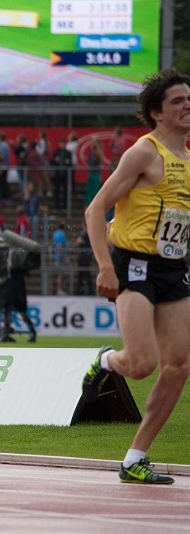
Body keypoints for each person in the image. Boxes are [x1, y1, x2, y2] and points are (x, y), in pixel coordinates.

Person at [81, 69, 190, 485]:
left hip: (173, 269)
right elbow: (95, 210)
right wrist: (105, 267)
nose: (187, 105)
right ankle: (105, 360)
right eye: (177, 100)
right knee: (142, 364)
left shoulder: (187, 160)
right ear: (156, 113)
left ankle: (134, 458)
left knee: (178, 367)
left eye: (189, 98)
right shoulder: (143, 153)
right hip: (134, 264)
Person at [52, 219, 70, 295]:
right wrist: (63, 257)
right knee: (62, 274)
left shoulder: (55, 233)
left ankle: (60, 289)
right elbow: (60, 246)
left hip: (57, 256)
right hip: (61, 256)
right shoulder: (61, 234)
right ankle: (59, 289)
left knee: (63, 273)